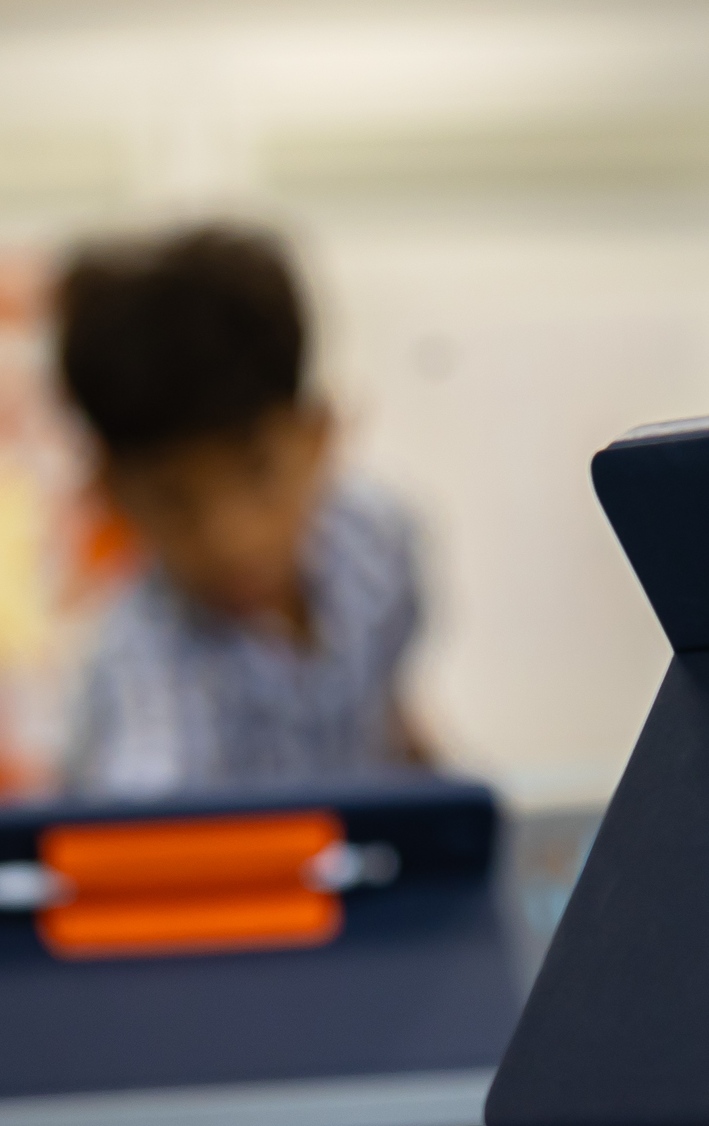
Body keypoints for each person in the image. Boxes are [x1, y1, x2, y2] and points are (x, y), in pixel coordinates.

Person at [53, 223, 429, 795]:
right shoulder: (144, 679)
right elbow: (150, 843)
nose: (230, 536)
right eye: (173, 500)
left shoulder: (378, 543)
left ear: (319, 435)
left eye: (258, 471)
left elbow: (387, 710)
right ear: (111, 492)